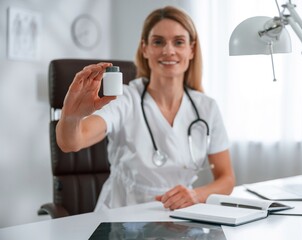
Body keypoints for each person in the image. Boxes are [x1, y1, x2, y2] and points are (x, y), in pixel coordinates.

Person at [56, 6, 235, 211]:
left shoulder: (207, 107)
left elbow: (226, 179)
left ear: (191, 49)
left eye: (178, 42)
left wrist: (195, 195)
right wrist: (72, 116)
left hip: (181, 214)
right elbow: (72, 142)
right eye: (158, 42)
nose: (169, 50)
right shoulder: (123, 99)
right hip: (123, 215)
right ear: (145, 48)